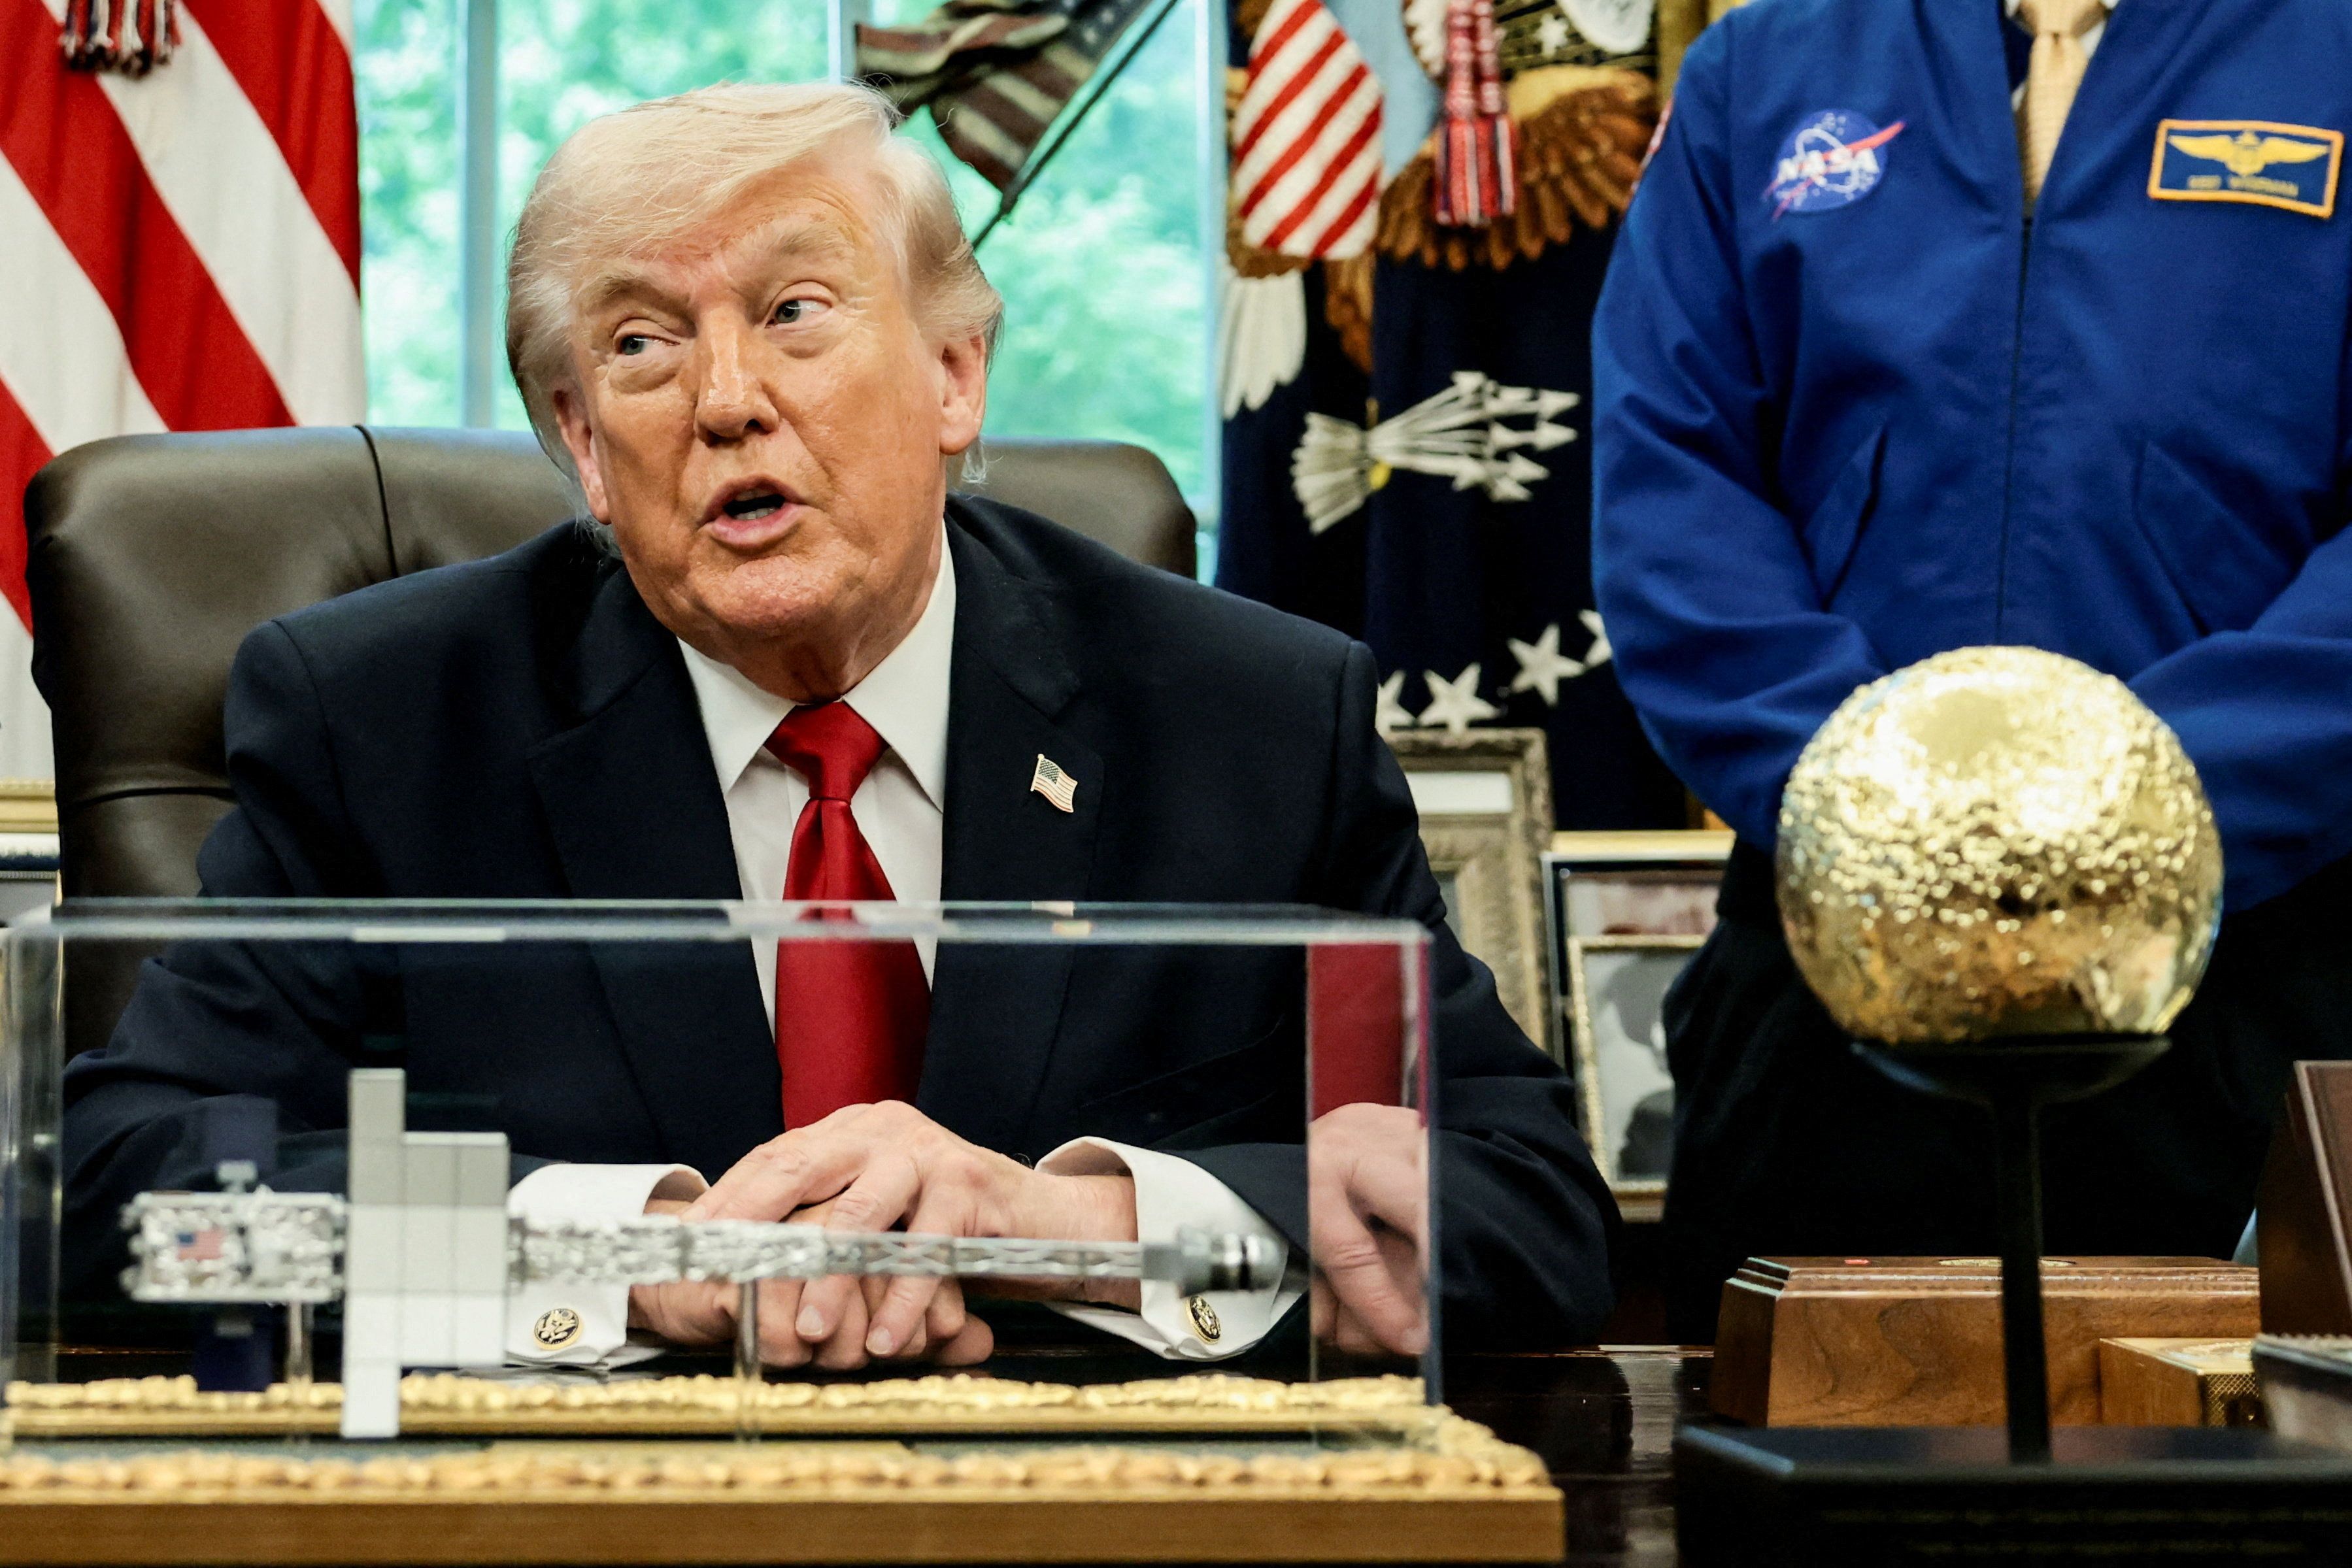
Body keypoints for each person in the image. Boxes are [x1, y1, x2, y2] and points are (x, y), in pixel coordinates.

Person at [63, 82, 1618, 1369]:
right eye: (640, 345)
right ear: (585, 453)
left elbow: (1527, 1210)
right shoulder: (385, 722)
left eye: (795, 310)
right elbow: (135, 1193)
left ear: (953, 373)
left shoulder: (1249, 715)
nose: (725, 398)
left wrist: (1059, 1226)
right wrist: (632, 1253)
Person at [1592, 0, 2352, 1339]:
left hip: (2254, 967)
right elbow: (1672, 493)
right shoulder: (1764, 72)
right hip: (1829, 967)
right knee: (1780, 1497)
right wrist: (1886, 813)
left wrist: (2127, 815)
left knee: (2244, 1502)